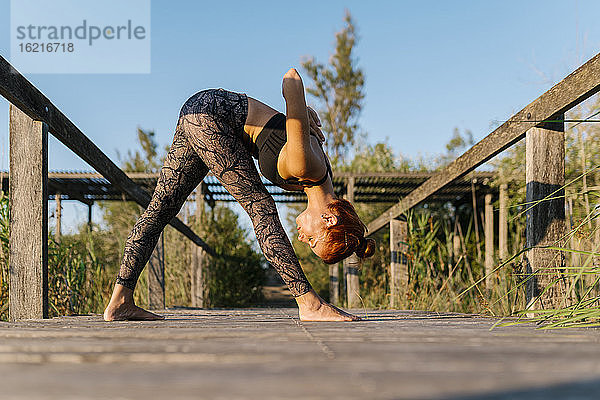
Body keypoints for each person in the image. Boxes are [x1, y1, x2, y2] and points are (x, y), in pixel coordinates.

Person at [103, 68, 375, 322]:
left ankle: (120, 301)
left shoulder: (318, 177)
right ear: (329, 219)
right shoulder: (305, 167)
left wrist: (305, 116)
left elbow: (291, 126)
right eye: (312, 239)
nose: (302, 238)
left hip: (199, 111)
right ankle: (310, 304)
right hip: (212, 118)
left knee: (160, 210)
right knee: (261, 207)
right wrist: (300, 113)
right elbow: (291, 79)